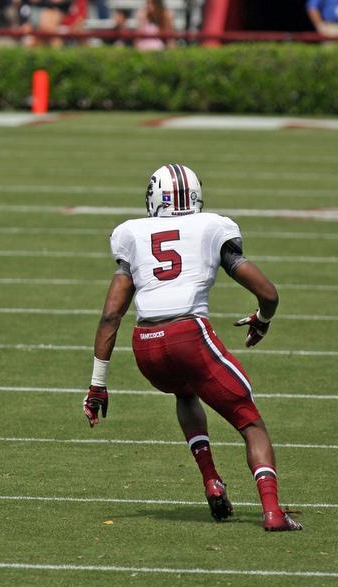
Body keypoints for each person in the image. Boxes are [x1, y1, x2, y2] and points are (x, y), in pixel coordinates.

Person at [81, 164, 302, 532]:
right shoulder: (212, 226)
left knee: (185, 393)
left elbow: (110, 316)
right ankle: (272, 512)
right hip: (189, 335)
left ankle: (212, 479)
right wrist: (262, 319)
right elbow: (268, 292)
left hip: (146, 347)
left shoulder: (131, 234)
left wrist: (97, 384)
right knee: (251, 422)